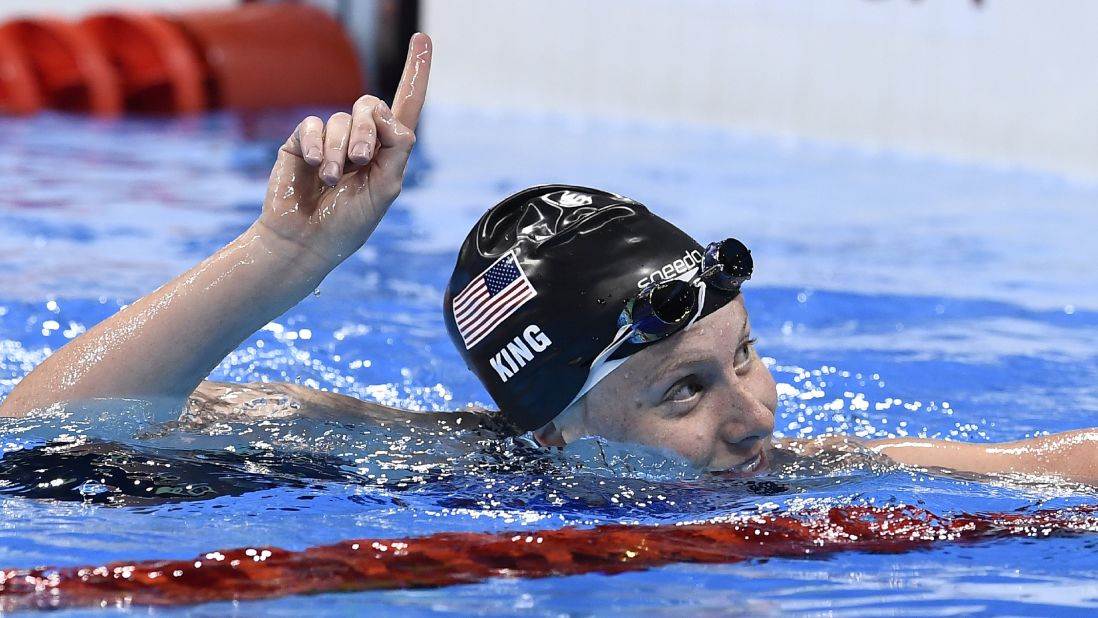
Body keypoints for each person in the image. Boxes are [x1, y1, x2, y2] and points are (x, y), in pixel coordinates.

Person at [2, 33, 1097, 484]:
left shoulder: (786, 475)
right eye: (686, 390)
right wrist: (282, 257)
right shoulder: (413, 469)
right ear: (555, 425)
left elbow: (1032, 464)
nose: (759, 414)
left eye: (746, 354)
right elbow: (35, 437)